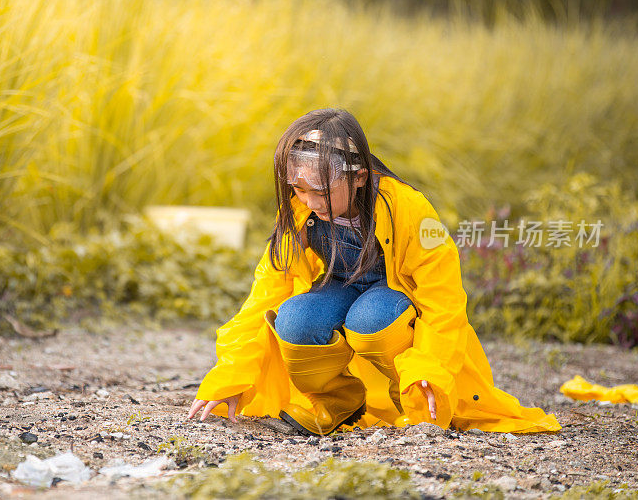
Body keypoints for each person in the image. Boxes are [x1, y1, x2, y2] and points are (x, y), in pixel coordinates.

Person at [186, 108, 561, 436]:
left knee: (372, 318)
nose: (311, 203)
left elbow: (442, 298)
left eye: (321, 192)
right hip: (338, 285)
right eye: (298, 189)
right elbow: (262, 297)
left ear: (360, 176)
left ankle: (414, 404)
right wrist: (230, 376)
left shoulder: (410, 209)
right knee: (294, 318)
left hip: (389, 295)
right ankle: (336, 403)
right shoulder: (299, 216)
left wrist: (430, 368)